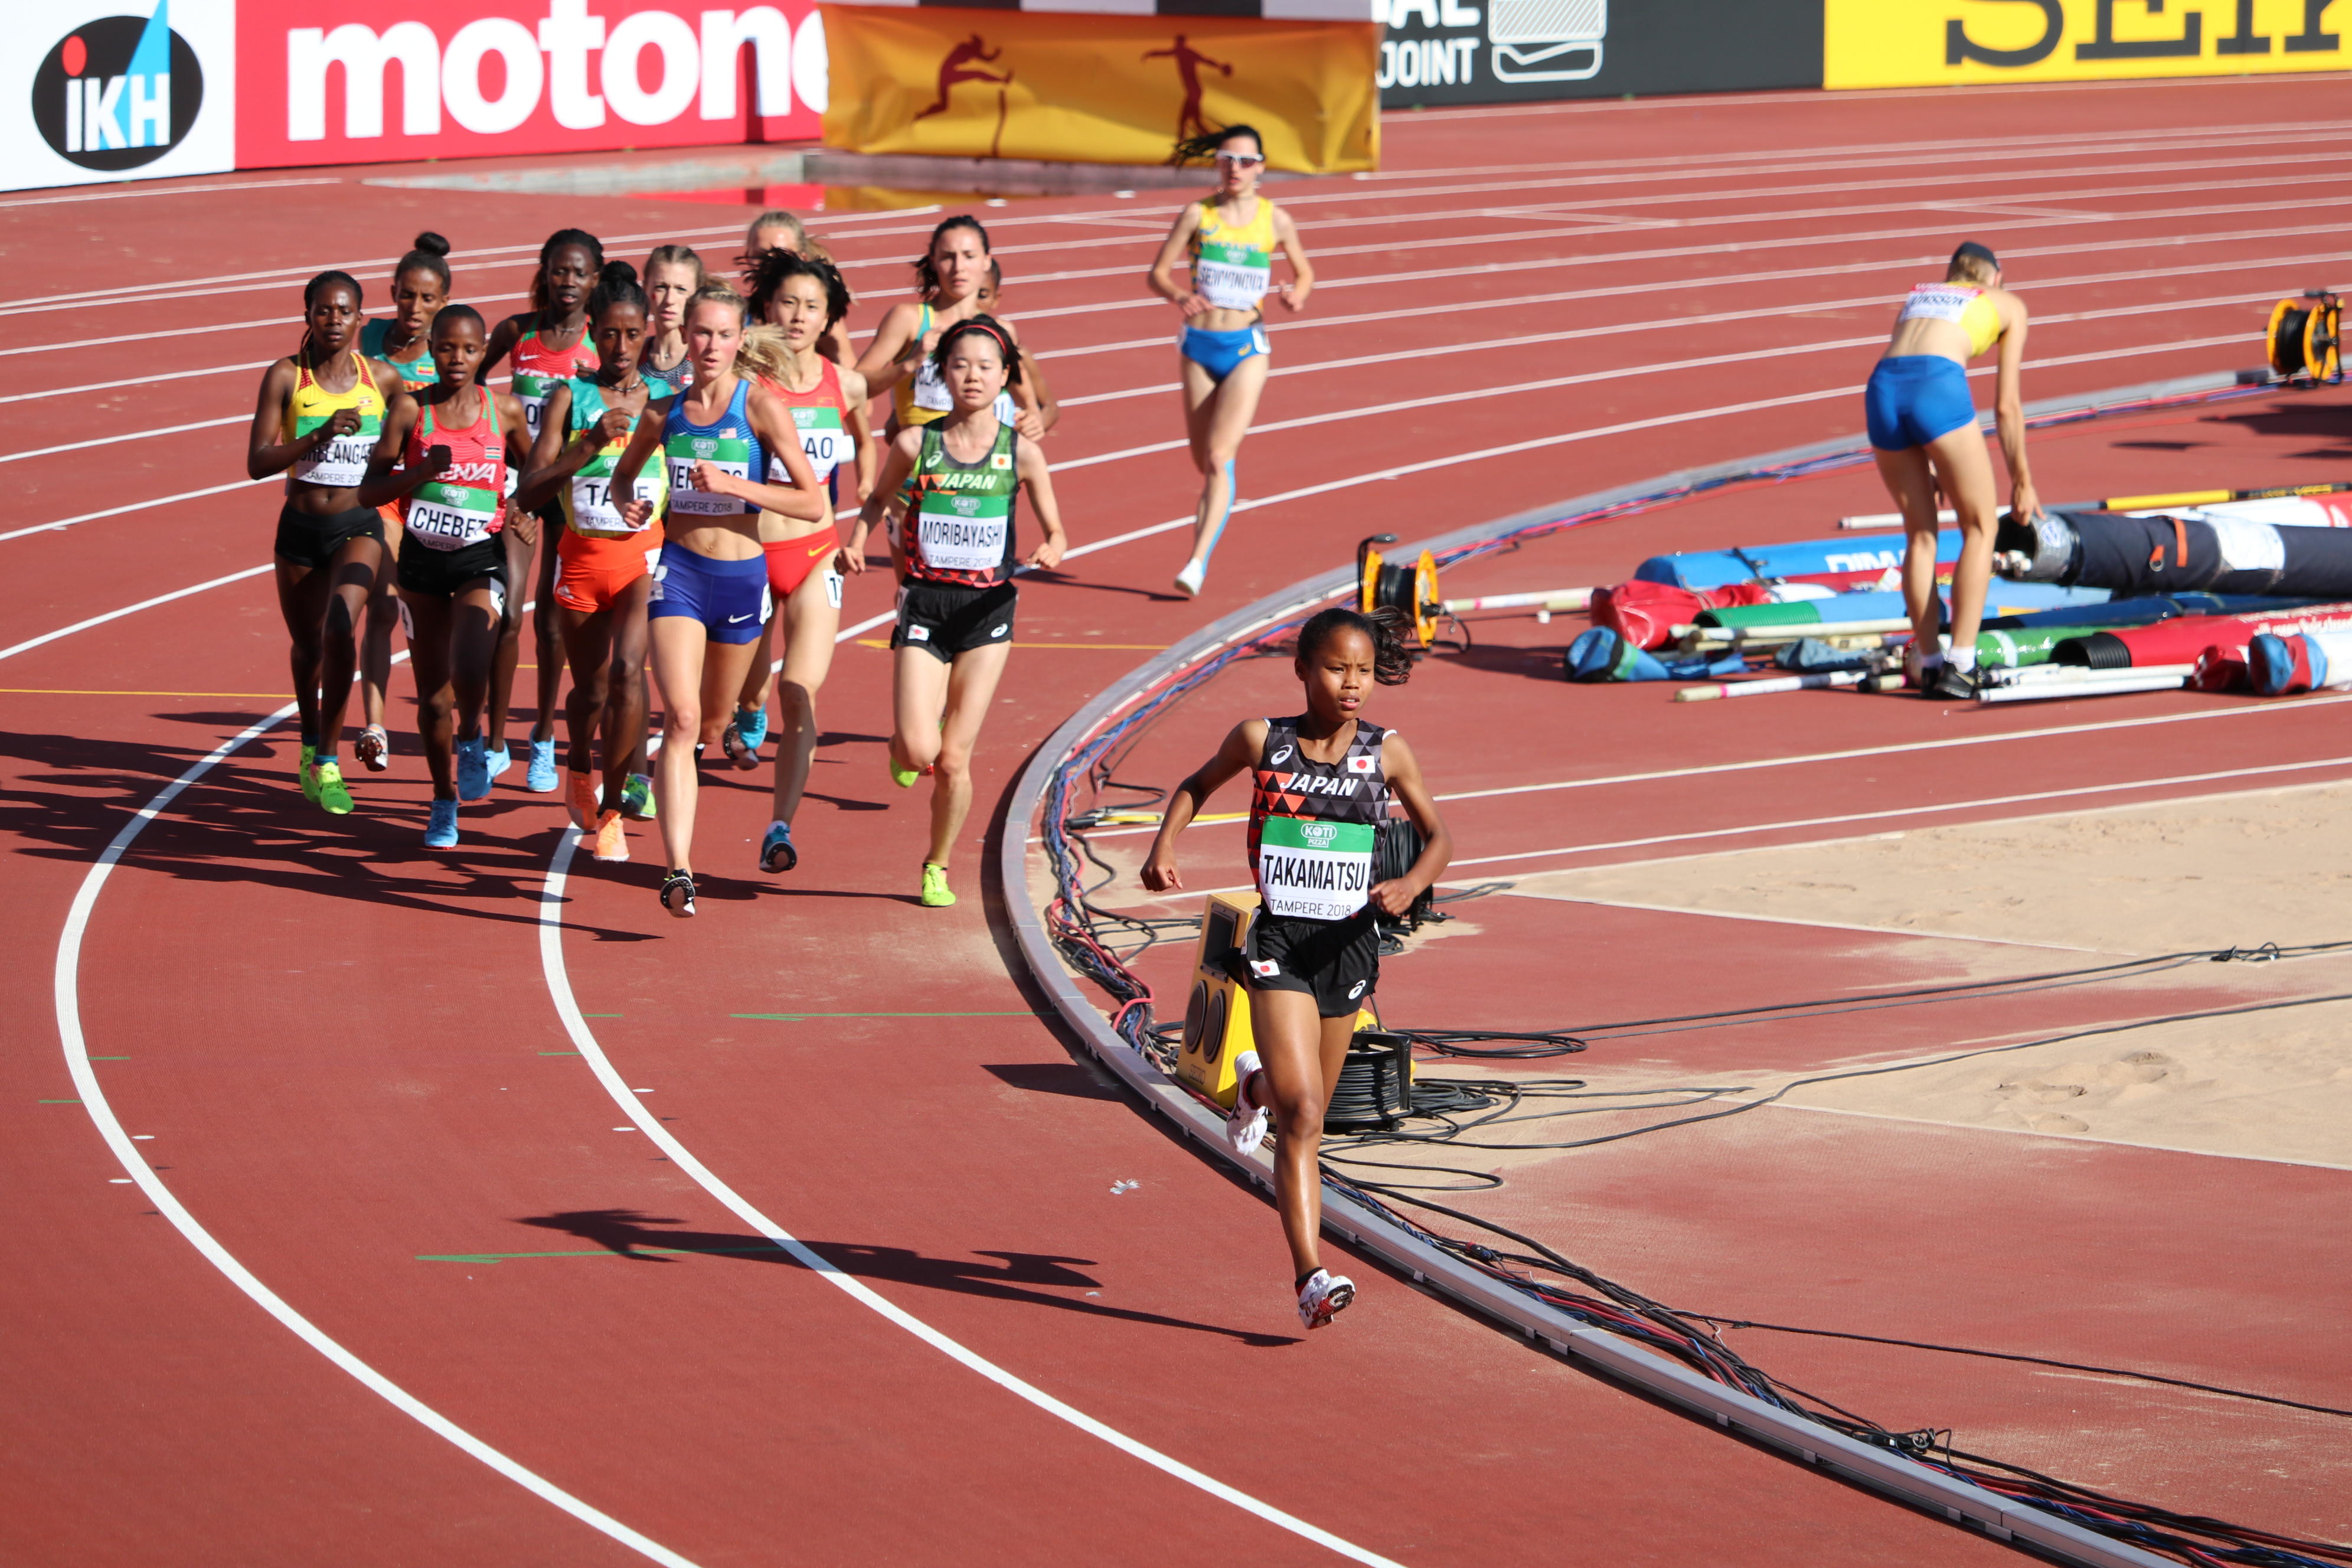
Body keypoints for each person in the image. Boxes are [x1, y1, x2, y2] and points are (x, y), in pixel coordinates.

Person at [1140, 606, 1452, 1330]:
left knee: (1297, 1105)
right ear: (1304, 670)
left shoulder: (1388, 754)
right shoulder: (1263, 741)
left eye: (1366, 671)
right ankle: (1310, 1276)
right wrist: (1164, 845)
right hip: (1279, 939)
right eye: (1338, 668)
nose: (1352, 684)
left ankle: (1249, 1085)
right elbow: (1193, 785)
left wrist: (1410, 885)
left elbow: (1438, 836)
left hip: (1348, 948)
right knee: (1305, 1114)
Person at [608, 282, 831, 917]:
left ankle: (726, 727)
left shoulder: (759, 407)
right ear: (685, 338)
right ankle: (678, 868)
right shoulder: (663, 412)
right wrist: (629, 498)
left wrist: (738, 484)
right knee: (678, 720)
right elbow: (626, 473)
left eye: (723, 334)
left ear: (740, 340)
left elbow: (811, 502)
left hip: (740, 581)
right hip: (678, 573)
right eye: (700, 333)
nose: (710, 345)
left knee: (709, 722)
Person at [840, 316, 1067, 909]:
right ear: (943, 374)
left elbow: (1057, 527)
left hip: (988, 610)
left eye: (985, 367)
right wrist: (855, 540)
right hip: (925, 605)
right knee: (918, 749)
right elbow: (877, 498)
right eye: (960, 365)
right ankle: (903, 747)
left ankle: (936, 863)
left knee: (954, 757)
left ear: (1004, 378)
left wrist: (1053, 545)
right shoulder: (917, 444)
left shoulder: (1021, 452)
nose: (972, 376)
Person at [357, 305, 534, 847]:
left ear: (485, 353)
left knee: (472, 667)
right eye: (447, 348)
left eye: (469, 349)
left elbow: (536, 471)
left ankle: (474, 735)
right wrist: (419, 474)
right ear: (433, 351)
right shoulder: (411, 411)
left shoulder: (502, 412)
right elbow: (369, 491)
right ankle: (442, 799)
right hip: (421, 562)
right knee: (433, 697)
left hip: (480, 558)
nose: (457, 359)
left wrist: (526, 509)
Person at [720, 250, 872, 876]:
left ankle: (780, 824)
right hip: (752, 553)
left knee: (798, 690)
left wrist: (863, 526)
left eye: (813, 305)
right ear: (767, 307)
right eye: (788, 302)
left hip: (816, 554)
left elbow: (871, 450)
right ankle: (744, 711)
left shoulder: (848, 384)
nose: (800, 316)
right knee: (744, 695)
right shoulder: (749, 380)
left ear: (831, 314)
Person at [516, 262, 670, 864]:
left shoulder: (663, 403)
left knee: (630, 673)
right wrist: (588, 448)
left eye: (633, 335)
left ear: (648, 333)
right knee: (590, 691)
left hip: (640, 561)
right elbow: (528, 492)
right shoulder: (569, 397)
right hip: (579, 561)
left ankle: (612, 810)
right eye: (610, 334)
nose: (622, 348)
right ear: (592, 333)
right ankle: (578, 763)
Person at [245, 270, 400, 816]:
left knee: (341, 629)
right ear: (307, 316)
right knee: (308, 646)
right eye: (323, 311)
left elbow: (410, 441)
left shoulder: (381, 378)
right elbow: (257, 462)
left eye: (345, 312)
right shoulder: (286, 377)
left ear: (362, 318)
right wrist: (318, 434)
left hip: (357, 526)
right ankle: (311, 743)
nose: (334, 320)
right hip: (300, 532)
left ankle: (330, 759)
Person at [1864, 240, 2039, 701]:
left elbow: (1907, 361)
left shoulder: (1919, 297)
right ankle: (1961, 664)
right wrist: (2022, 479)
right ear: (1995, 278)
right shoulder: (2008, 304)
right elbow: (2006, 407)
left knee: (1920, 535)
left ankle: (1929, 662)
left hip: (1882, 389)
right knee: (1980, 526)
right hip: (1936, 386)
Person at [1146, 124, 1312, 599]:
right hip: (1198, 348)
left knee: (1219, 458)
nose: (1234, 169)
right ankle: (1208, 529)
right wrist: (1180, 294)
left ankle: (1197, 562)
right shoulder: (1198, 214)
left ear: (1261, 167)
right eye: (1226, 160)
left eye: (1244, 161)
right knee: (1205, 462)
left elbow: (1305, 272)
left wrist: (1295, 295)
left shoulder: (1275, 221)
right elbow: (1156, 273)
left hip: (1246, 349)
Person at [483, 228, 603, 790]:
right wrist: (499, 447)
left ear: (595, 280)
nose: (568, 282)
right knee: (507, 614)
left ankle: (543, 737)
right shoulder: (518, 332)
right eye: (560, 271)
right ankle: (493, 741)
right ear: (544, 272)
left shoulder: (600, 343)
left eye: (579, 273)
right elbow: (475, 386)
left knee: (552, 624)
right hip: (517, 488)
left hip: (570, 493)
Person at [355, 232, 454, 774]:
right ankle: (373, 726)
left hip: (436, 495)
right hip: (382, 492)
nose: (414, 309)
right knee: (384, 605)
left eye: (427, 299)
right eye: (406, 297)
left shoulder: (449, 352)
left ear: (442, 304)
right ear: (392, 293)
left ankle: (456, 718)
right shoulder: (365, 337)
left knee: (440, 615)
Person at [855, 215, 1053, 450]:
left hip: (983, 478)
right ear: (934, 261)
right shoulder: (910, 320)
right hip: (921, 477)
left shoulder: (1001, 331)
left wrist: (1033, 417)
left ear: (986, 261)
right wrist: (908, 365)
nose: (959, 267)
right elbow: (854, 385)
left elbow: (1030, 401)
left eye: (969, 256)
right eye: (948, 257)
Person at [641, 244, 705, 394]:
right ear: (645, 289)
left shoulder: (707, 357)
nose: (669, 300)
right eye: (661, 287)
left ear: (697, 293)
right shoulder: (632, 356)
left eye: (681, 289)